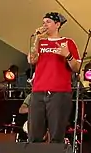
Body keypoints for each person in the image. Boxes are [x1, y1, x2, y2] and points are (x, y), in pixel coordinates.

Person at [27, 12, 81, 143]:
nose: (44, 25)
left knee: (56, 135)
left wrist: (67, 55)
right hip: (38, 91)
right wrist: (37, 39)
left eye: (48, 22)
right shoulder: (41, 42)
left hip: (59, 93)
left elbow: (77, 67)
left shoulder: (67, 42)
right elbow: (31, 60)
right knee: (34, 134)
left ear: (57, 25)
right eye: (43, 21)